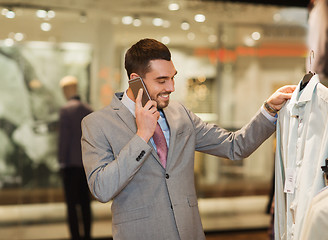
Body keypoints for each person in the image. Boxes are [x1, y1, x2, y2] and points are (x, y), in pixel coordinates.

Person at [81, 38, 296, 240]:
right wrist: (142, 135)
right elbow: (101, 188)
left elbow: (235, 146)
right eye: (161, 80)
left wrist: (269, 109)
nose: (171, 87)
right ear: (136, 81)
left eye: (172, 77)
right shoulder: (97, 124)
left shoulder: (180, 113)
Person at [58, 76, 93, 240]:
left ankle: (75, 236)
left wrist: (61, 161)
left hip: (70, 165)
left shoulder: (66, 110)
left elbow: (63, 140)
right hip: (86, 165)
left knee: (72, 205)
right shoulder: (89, 110)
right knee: (86, 204)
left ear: (66, 90)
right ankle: (87, 235)